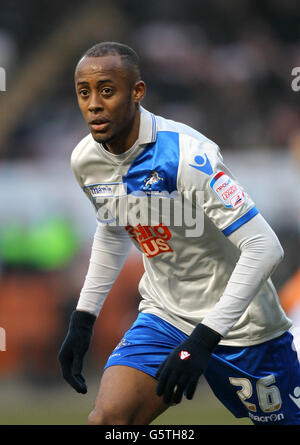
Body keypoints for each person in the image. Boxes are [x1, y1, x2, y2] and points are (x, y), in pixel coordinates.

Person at [58, 41, 300, 425]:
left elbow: (264, 247)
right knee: (108, 420)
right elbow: (114, 229)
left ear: (137, 92)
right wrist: (83, 318)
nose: (93, 104)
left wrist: (204, 339)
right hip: (165, 315)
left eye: (107, 90)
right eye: (83, 92)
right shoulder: (85, 160)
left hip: (242, 324)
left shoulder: (188, 156)